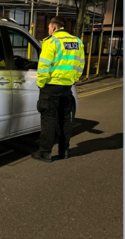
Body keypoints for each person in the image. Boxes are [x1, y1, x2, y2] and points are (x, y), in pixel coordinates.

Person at [32, 16, 85, 163]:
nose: (48, 30)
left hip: (51, 86)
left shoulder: (52, 41)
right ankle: (64, 151)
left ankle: (45, 153)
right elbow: (80, 64)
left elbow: (43, 65)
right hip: (67, 87)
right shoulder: (77, 41)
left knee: (48, 119)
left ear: (54, 27)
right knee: (65, 120)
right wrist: (73, 78)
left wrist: (41, 83)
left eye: (49, 27)